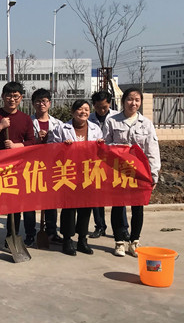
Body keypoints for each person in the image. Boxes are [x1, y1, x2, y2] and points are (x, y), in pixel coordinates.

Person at [102, 87, 161, 258]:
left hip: (140, 172)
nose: (133, 103)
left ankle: (134, 242)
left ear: (140, 102)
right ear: (123, 101)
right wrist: (121, 149)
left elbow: (152, 150)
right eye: (129, 99)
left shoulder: (146, 124)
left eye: (137, 100)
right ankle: (119, 242)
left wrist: (154, 175)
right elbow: (104, 146)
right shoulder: (112, 121)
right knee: (117, 206)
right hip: (117, 171)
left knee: (138, 207)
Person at [0, 81, 37, 257]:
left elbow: (31, 141)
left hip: (16, 168)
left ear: (21, 98)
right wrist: (0, 126)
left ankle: (10, 237)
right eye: (9, 96)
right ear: (3, 96)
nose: (12, 99)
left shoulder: (25, 119)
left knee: (15, 206)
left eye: (16, 96)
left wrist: (16, 146)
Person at [48, 99, 104, 256]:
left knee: (86, 207)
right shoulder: (62, 128)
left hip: (88, 172)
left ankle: (82, 240)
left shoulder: (95, 128)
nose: (83, 112)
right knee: (69, 207)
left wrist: (100, 144)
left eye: (86, 109)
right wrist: (62, 146)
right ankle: (67, 240)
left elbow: (101, 151)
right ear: (73, 112)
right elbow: (50, 147)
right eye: (79, 109)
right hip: (69, 172)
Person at [30, 87, 64, 245]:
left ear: (49, 103)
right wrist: (36, 139)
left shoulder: (58, 124)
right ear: (33, 104)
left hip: (52, 166)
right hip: (32, 166)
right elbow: (24, 144)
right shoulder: (28, 122)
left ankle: (51, 231)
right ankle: (30, 233)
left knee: (51, 201)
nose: (41, 104)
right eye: (38, 101)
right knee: (30, 201)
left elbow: (62, 145)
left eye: (44, 101)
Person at [88, 90, 123, 239]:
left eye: (104, 107)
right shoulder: (88, 118)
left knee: (119, 196)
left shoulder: (117, 117)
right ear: (94, 105)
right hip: (95, 161)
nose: (101, 110)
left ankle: (122, 228)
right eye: (98, 107)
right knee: (97, 196)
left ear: (109, 103)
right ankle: (100, 226)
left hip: (113, 161)